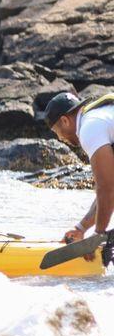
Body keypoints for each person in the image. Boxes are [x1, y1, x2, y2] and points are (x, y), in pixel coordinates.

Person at [44, 92, 114, 245]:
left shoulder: (90, 128)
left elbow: (106, 188)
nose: (60, 139)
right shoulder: (100, 117)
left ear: (64, 120)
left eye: (57, 132)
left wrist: (98, 235)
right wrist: (81, 228)